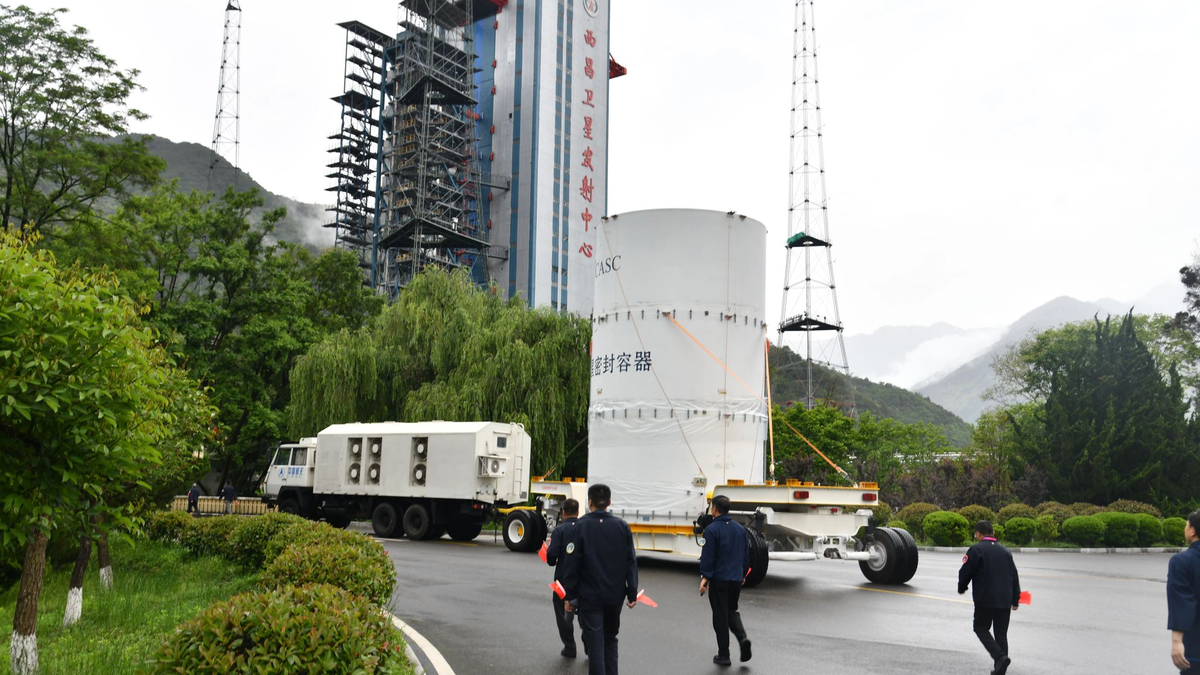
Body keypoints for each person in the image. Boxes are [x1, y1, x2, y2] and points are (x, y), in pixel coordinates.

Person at [561, 484, 638, 675]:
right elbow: (631, 561)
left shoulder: (579, 526)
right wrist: (632, 592)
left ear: (589, 502)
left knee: (595, 647)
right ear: (609, 502)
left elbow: (572, 564)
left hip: (590, 595)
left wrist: (569, 596)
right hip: (615, 596)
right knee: (610, 640)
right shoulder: (622, 526)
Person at [958, 520, 1020, 675]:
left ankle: (999, 657)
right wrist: (1015, 598)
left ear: (978, 534)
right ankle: (1001, 668)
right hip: (1004, 599)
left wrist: (962, 587)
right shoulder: (1005, 552)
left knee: (980, 628)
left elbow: (966, 572)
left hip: (985, 598)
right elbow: (1014, 576)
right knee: (1001, 634)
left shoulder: (976, 550)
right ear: (993, 533)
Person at [699, 495, 752, 666]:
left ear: (714, 509)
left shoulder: (712, 530)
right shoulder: (740, 529)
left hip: (720, 579)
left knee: (720, 615)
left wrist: (705, 577)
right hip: (736, 578)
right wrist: (743, 574)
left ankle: (724, 654)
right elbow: (746, 555)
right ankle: (742, 638)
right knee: (731, 610)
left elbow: (708, 557)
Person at [546, 498, 582, 658]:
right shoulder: (584, 528)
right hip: (582, 580)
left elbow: (551, 558)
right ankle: (590, 647)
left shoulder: (559, 531)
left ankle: (569, 646)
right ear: (578, 512)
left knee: (563, 613)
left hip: (563, 582)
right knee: (586, 614)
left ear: (563, 513)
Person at [1167, 509, 1200, 672]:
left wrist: (1176, 642)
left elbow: (1183, 602)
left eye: (1186, 525)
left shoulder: (1182, 562)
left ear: (1192, 531)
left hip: (1195, 647)